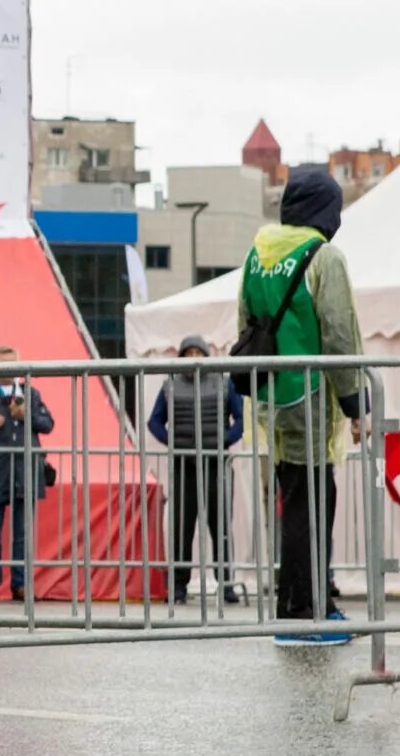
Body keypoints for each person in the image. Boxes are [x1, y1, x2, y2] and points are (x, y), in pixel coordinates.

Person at [235, 167, 364, 646]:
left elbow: (245, 320)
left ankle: (298, 605)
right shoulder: (322, 256)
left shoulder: (258, 253)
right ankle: (306, 612)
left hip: (271, 394)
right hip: (310, 394)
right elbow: (339, 332)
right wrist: (356, 404)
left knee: (294, 499)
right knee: (313, 502)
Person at [146, 336, 245, 606]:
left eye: (197, 352)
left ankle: (225, 584)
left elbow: (240, 422)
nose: (192, 357)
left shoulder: (224, 383)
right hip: (183, 465)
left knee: (220, 525)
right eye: (187, 353)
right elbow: (154, 421)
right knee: (182, 526)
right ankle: (179, 586)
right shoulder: (171, 386)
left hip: (216, 464)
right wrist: (173, 442)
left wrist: (223, 440)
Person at [0, 345, 55, 604]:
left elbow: (48, 424)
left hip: (25, 471)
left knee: (23, 532)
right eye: (3, 365)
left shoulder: (30, 393)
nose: (9, 370)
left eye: (13, 364)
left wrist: (27, 415)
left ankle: (21, 584)